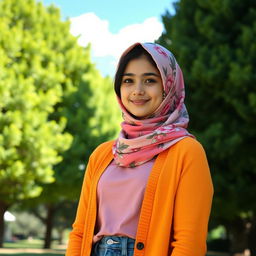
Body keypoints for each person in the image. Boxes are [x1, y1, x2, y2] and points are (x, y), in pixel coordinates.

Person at [65, 42, 214, 256]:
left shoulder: (187, 151)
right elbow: (79, 232)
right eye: (128, 81)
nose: (137, 90)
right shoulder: (102, 154)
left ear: (168, 86)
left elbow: (189, 242)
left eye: (150, 80)